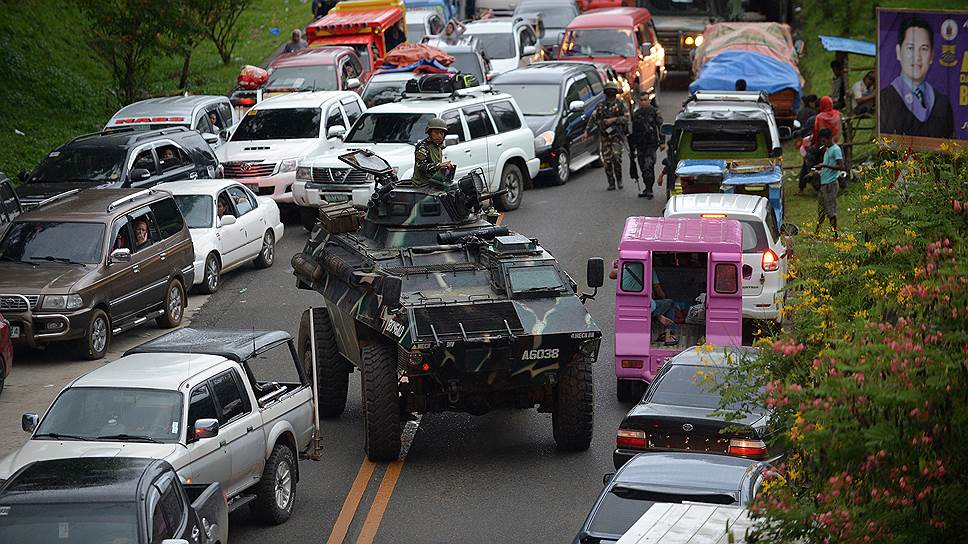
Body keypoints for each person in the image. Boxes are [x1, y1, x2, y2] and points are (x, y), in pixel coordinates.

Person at [879, 16, 954, 139]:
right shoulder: (884, 100)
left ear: (931, 56)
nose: (917, 57)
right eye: (910, 48)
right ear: (898, 52)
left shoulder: (942, 103)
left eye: (924, 49)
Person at [588, 82, 629, 191]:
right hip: (605, 137)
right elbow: (593, 118)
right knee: (607, 161)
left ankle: (619, 180)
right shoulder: (601, 106)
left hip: (616, 136)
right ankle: (611, 182)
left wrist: (613, 120)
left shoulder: (620, 104)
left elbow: (626, 118)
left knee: (616, 158)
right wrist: (586, 131)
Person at [628, 94, 665, 199]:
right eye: (641, 100)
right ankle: (646, 187)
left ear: (649, 100)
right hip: (640, 145)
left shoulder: (654, 112)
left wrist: (662, 142)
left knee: (648, 166)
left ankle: (649, 190)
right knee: (642, 167)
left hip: (651, 144)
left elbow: (660, 127)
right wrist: (632, 147)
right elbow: (633, 131)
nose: (644, 102)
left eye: (645, 100)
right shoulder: (636, 114)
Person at [812, 128, 845, 240]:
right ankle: (816, 233)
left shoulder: (835, 149)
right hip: (824, 184)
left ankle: (835, 235)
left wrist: (824, 166)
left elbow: (841, 166)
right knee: (821, 209)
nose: (823, 143)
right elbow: (828, 165)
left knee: (831, 210)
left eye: (824, 140)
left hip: (831, 184)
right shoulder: (827, 149)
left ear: (829, 138)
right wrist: (819, 169)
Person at [412, 118, 454, 189]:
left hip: (434, 182)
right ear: (430, 133)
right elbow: (422, 167)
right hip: (422, 185)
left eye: (441, 133)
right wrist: (439, 165)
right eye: (436, 132)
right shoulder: (423, 146)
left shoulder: (438, 146)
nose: (439, 136)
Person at [651, 270, 678, 346]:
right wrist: (663, 298)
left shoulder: (625, 267)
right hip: (647, 307)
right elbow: (657, 288)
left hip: (633, 307)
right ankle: (668, 335)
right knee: (670, 303)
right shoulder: (650, 269)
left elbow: (613, 274)